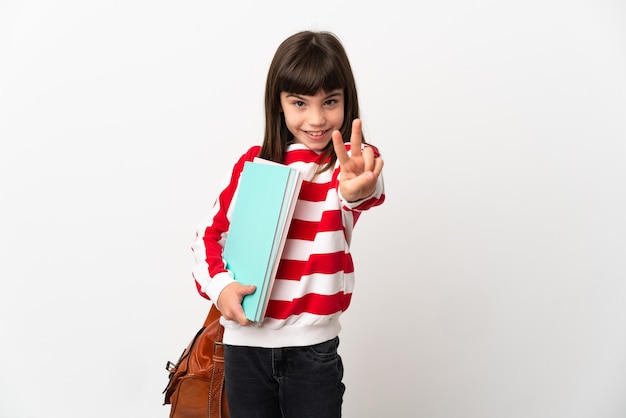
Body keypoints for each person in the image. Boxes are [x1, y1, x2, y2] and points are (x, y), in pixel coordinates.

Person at [191, 30, 385, 418]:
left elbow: (363, 190)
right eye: (300, 102)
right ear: (278, 104)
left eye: (330, 102)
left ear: (347, 101)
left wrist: (357, 185)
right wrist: (221, 287)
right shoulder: (255, 163)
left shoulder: (347, 164)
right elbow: (207, 237)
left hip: (312, 352)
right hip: (245, 349)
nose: (316, 119)